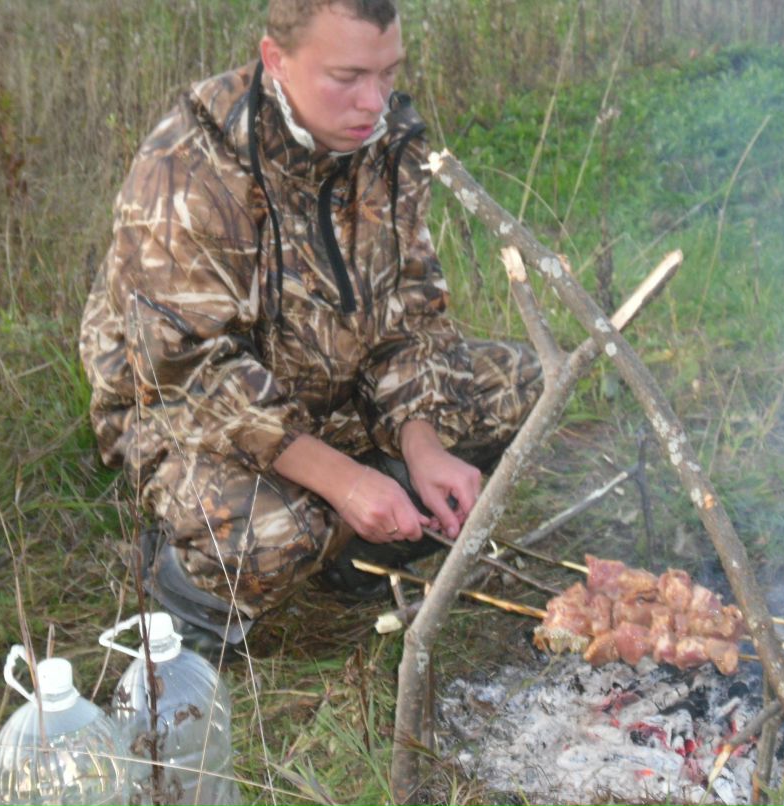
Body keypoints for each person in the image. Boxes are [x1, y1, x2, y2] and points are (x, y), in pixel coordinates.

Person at [78, 0, 542, 650]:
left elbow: (407, 316)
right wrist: (344, 481)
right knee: (269, 532)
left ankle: (356, 543)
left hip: (330, 380)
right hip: (181, 411)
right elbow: (187, 375)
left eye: (387, 74)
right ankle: (188, 591)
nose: (374, 102)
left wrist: (422, 443)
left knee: (526, 383)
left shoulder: (390, 142)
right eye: (348, 77)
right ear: (277, 60)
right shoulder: (189, 166)